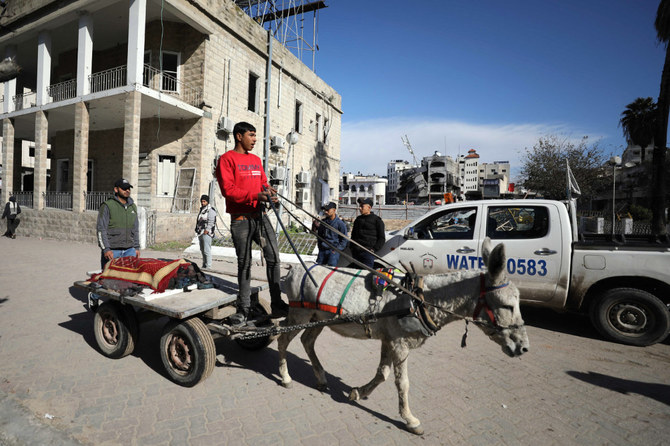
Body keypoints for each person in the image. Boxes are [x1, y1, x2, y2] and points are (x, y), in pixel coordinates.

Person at [216, 121, 289, 326]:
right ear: (239, 136)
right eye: (251, 135)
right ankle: (244, 308)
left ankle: (277, 303)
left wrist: (270, 194)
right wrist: (257, 195)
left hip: (260, 216)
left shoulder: (256, 160)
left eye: (256, 136)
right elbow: (229, 191)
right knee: (245, 263)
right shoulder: (227, 159)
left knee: (273, 256)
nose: (255, 140)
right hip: (241, 220)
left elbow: (264, 183)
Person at [96, 178, 140, 269]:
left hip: (130, 251)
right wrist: (106, 249)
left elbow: (135, 229)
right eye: (124, 188)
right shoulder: (107, 206)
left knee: (129, 280)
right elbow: (101, 229)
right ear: (116, 189)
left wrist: (136, 248)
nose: (127, 190)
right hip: (112, 251)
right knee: (110, 280)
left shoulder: (133, 207)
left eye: (128, 188)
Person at [350, 197, 385, 268]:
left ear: (369, 207)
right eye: (359, 206)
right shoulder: (358, 220)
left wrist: (373, 249)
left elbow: (381, 238)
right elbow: (353, 235)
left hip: (368, 252)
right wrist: (352, 247)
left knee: (366, 273)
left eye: (362, 206)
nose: (360, 208)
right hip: (356, 252)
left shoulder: (377, 220)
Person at [315, 201, 348, 266]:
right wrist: (320, 247)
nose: (325, 212)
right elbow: (319, 236)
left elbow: (344, 239)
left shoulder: (340, 224)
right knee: (319, 268)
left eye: (327, 210)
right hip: (323, 250)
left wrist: (336, 250)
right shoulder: (323, 223)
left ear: (334, 210)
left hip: (333, 251)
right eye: (325, 210)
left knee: (331, 269)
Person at [195, 194, 217, 270]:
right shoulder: (202, 209)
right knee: (202, 249)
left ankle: (208, 265)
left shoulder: (211, 210)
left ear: (207, 201)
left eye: (204, 201)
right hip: (200, 232)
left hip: (207, 233)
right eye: (202, 201)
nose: (203, 203)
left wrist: (206, 230)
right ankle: (204, 264)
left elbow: (211, 221)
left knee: (207, 250)